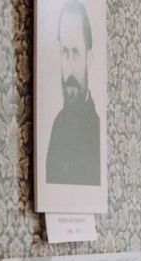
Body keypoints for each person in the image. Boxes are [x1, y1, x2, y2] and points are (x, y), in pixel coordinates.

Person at [46, 0, 100, 185]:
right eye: (65, 52)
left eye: (75, 53)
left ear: (89, 58)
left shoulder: (97, 129)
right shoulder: (57, 126)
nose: (69, 67)